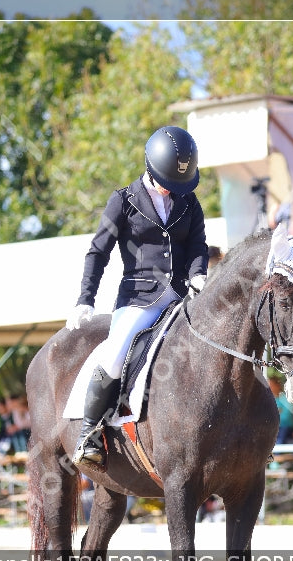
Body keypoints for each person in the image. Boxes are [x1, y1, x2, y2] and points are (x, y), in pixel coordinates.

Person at [66, 125, 208, 467]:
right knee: (115, 355)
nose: (176, 191)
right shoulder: (124, 201)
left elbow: (197, 244)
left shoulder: (188, 200)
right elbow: (97, 252)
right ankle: (89, 433)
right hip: (139, 297)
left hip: (180, 296)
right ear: (151, 167)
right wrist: (85, 298)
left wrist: (198, 274)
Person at [270, 375, 293, 446]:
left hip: (284, 427)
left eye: (272, 385)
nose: (270, 387)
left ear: (277, 385)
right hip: (272, 428)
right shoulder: (268, 400)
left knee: (279, 441)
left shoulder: (285, 398)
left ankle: (277, 455)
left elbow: (288, 415)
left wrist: (273, 416)